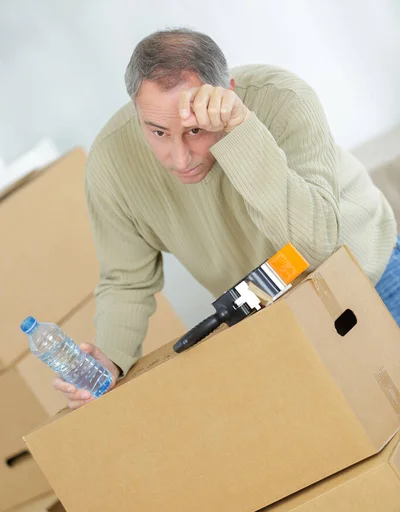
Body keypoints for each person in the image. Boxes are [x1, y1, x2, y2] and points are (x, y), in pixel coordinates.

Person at [54, 28, 399, 409]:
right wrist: (111, 357)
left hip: (368, 278)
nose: (179, 158)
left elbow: (316, 246)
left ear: (229, 90)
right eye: (157, 132)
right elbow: (125, 280)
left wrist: (241, 129)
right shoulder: (110, 162)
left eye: (195, 130)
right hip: (275, 317)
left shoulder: (283, 99)